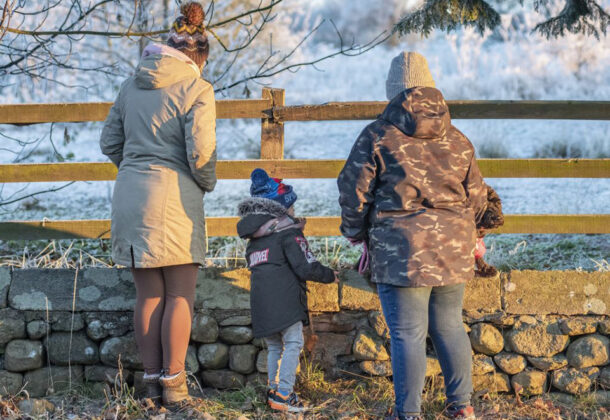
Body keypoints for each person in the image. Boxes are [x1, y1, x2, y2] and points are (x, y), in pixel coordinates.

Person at [337, 52, 488, 420]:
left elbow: (353, 190)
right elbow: (478, 194)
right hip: (454, 247)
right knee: (450, 325)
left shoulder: (377, 135)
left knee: (407, 333)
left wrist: (356, 235)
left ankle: (409, 414)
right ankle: (462, 407)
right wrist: (474, 233)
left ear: (392, 93)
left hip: (401, 250)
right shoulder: (458, 138)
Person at [99, 0, 215, 407]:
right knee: (180, 295)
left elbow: (109, 142)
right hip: (175, 200)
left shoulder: (131, 85)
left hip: (130, 197)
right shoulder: (196, 88)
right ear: (198, 54)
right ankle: (175, 387)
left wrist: (133, 169)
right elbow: (200, 153)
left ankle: (150, 386)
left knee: (148, 296)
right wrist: (206, 183)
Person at [237, 169, 339, 413]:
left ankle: (274, 390)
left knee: (274, 346)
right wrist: (330, 275)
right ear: (280, 211)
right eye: (291, 208)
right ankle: (284, 393)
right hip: (285, 302)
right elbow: (306, 267)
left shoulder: (254, 240)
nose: (294, 212)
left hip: (261, 303)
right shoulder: (289, 235)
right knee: (293, 343)